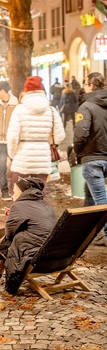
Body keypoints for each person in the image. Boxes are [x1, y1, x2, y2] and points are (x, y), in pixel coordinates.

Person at [0, 177, 57, 294]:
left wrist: (11, 217)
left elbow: (9, 233)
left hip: (35, 255)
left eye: (14, 192)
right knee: (23, 232)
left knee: (18, 236)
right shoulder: (45, 204)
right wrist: (14, 216)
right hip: (53, 253)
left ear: (22, 192)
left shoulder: (19, 205)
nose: (12, 195)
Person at [7, 76, 65, 193]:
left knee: (18, 195)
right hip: (42, 159)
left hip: (22, 158)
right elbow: (60, 135)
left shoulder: (19, 110)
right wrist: (46, 142)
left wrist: (12, 155)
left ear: (26, 92)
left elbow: (12, 137)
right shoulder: (51, 110)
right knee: (39, 194)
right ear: (42, 92)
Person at [74, 72, 107, 246]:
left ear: (92, 86)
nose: (84, 87)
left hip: (93, 158)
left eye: (86, 84)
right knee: (90, 195)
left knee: (101, 200)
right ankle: (85, 232)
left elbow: (80, 135)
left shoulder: (86, 106)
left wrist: (78, 152)